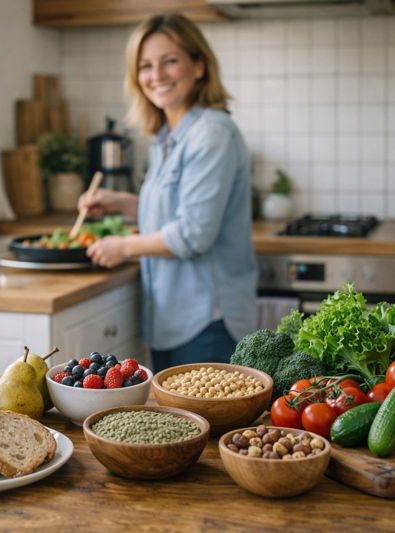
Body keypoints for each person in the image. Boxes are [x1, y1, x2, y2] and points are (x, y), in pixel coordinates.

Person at [78, 13, 257, 372]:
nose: (156, 75)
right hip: (171, 319)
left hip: (208, 320)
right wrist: (121, 203)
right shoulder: (167, 136)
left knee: (206, 428)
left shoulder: (211, 133)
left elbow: (193, 233)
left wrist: (122, 246)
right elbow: (174, 209)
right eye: (145, 66)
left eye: (169, 61)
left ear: (199, 65)